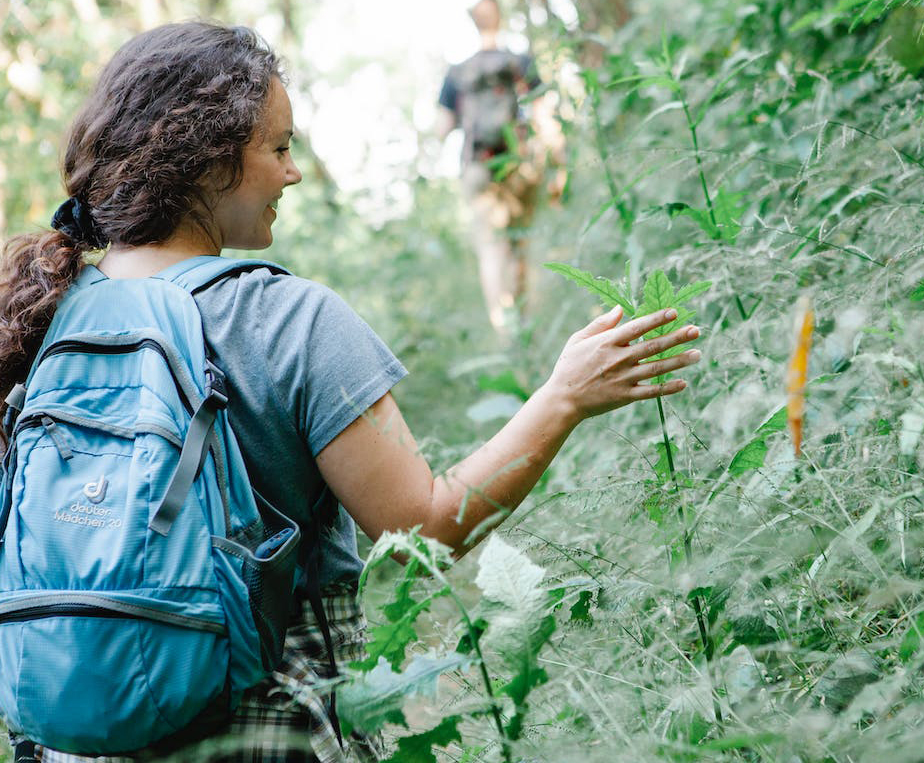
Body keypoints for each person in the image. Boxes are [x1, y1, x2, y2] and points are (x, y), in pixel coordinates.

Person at [0, 21, 699, 763]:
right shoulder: (287, 318)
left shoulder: (43, 317)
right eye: (279, 147)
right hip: (263, 738)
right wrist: (563, 398)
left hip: (66, 742)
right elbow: (422, 527)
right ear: (208, 162)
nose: (292, 173)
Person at [436, 0, 564, 336]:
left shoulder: (457, 73)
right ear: (500, 19)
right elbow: (545, 118)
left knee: (491, 250)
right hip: (519, 164)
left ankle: (504, 331)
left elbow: (441, 127)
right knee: (521, 243)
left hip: (478, 167)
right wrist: (559, 165)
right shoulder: (519, 62)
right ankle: (528, 324)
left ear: (473, 23)